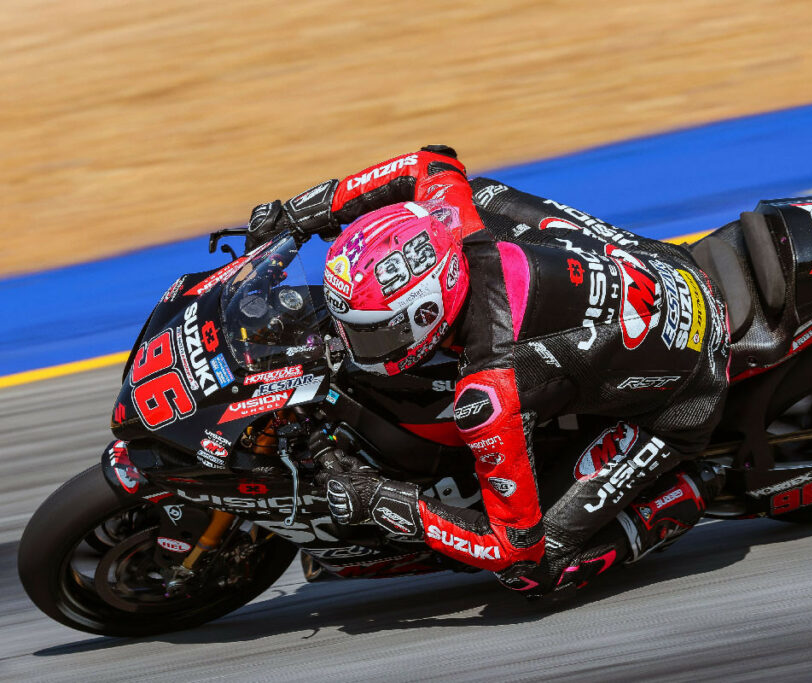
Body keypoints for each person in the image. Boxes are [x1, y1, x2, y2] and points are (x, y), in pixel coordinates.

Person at [246, 145, 731, 598]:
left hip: (688, 388)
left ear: (427, 311)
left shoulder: (490, 390)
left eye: (373, 334)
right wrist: (302, 213)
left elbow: (512, 544)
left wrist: (385, 501)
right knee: (482, 195)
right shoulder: (450, 219)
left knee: (532, 571)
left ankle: (686, 491)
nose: (352, 344)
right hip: (663, 266)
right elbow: (429, 161)